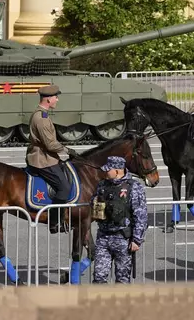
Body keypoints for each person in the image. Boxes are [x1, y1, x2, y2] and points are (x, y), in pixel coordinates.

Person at [25, 84, 79, 234]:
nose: (57, 100)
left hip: (46, 157)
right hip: (42, 160)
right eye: (56, 97)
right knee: (64, 187)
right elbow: (50, 144)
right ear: (48, 99)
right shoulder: (41, 118)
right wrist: (68, 150)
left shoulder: (43, 114)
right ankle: (55, 222)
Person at [90, 156, 147, 284]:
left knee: (122, 279)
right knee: (99, 277)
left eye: (108, 170)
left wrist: (137, 239)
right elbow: (92, 202)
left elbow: (141, 215)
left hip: (123, 239)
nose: (105, 172)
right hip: (103, 237)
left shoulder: (133, 187)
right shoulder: (102, 185)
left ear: (117, 171)